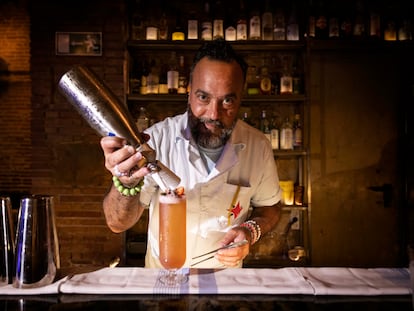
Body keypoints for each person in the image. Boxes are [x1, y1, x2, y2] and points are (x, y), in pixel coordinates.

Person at [100, 39, 283, 269]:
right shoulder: (156, 140)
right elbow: (117, 223)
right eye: (203, 97)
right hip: (164, 284)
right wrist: (125, 184)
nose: (213, 114)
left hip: (227, 285)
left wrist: (251, 230)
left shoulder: (258, 146)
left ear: (240, 99)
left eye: (227, 100)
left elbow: (271, 208)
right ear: (189, 92)